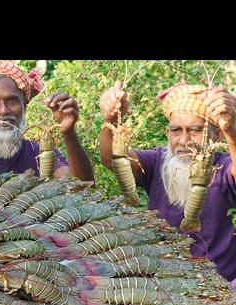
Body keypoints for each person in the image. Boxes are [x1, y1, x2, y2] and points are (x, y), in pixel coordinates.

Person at [99, 81, 236, 289]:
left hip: (221, 286)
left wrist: (232, 131)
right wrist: (110, 120)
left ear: (216, 135)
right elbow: (112, 159)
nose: (184, 140)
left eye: (195, 130)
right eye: (176, 130)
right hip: (164, 284)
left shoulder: (224, 166)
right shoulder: (157, 162)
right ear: (167, 132)